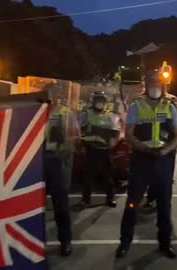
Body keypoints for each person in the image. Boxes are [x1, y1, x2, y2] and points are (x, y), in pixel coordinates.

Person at [116, 69, 177, 259]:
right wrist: (145, 150)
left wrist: (164, 151)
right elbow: (129, 134)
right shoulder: (137, 106)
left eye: (158, 84)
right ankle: (125, 242)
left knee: (164, 204)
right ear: (146, 86)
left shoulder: (170, 106)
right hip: (141, 160)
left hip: (163, 160)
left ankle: (165, 243)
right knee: (132, 202)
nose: (155, 87)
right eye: (152, 84)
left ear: (163, 86)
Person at [42, 88, 80, 256]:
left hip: (58, 162)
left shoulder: (66, 113)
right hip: (38, 162)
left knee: (61, 206)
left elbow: (77, 136)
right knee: (34, 207)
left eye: (54, 94)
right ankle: (35, 242)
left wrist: (66, 145)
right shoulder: (36, 113)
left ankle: (65, 240)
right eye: (48, 94)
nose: (52, 98)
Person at [80, 91, 120, 207]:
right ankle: (85, 199)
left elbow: (116, 131)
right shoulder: (86, 114)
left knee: (107, 175)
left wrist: (114, 142)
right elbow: (79, 129)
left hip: (105, 149)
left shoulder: (111, 116)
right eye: (97, 101)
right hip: (91, 148)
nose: (100, 103)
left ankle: (110, 198)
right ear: (93, 102)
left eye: (102, 101)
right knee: (88, 175)